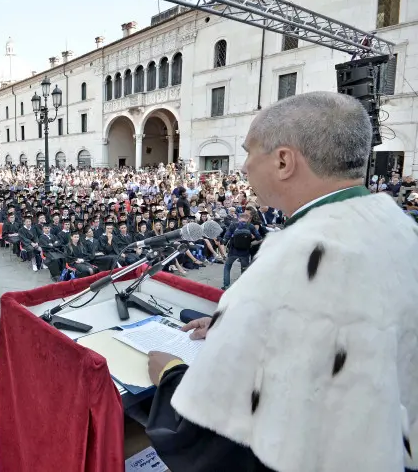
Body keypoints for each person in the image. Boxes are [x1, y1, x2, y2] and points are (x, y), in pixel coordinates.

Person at [144, 92, 418, 472]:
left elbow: (209, 434)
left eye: (248, 152)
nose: (243, 166)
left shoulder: (294, 258)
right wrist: (240, 327)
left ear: (283, 161)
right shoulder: (402, 228)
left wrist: (171, 374)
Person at [220, 210, 261, 289]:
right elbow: (259, 238)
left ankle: (226, 285)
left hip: (233, 251)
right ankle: (242, 287)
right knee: (244, 269)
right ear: (248, 219)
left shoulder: (233, 225)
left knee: (227, 267)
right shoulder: (251, 226)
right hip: (245, 252)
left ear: (239, 219)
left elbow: (226, 237)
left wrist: (223, 245)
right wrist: (251, 243)